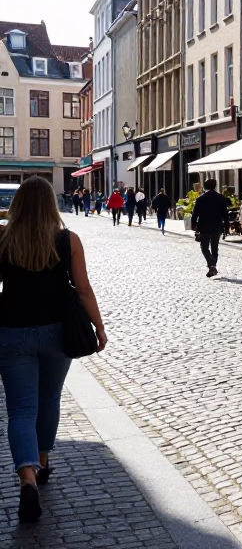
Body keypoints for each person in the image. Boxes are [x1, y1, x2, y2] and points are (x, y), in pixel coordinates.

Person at [0, 177, 108, 523]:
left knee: (19, 409)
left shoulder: (3, 238)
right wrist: (99, 326)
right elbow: (84, 288)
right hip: (58, 332)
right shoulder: (67, 239)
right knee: (49, 400)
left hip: (11, 331)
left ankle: (27, 479)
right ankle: (43, 460)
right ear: (50, 204)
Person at [191, 178, 231, 277]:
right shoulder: (221, 198)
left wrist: (193, 225)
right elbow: (225, 214)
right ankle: (213, 266)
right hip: (217, 225)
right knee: (214, 247)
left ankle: (211, 264)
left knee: (204, 247)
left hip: (204, 226)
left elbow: (195, 213)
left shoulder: (200, 199)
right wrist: (226, 225)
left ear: (205, 186)